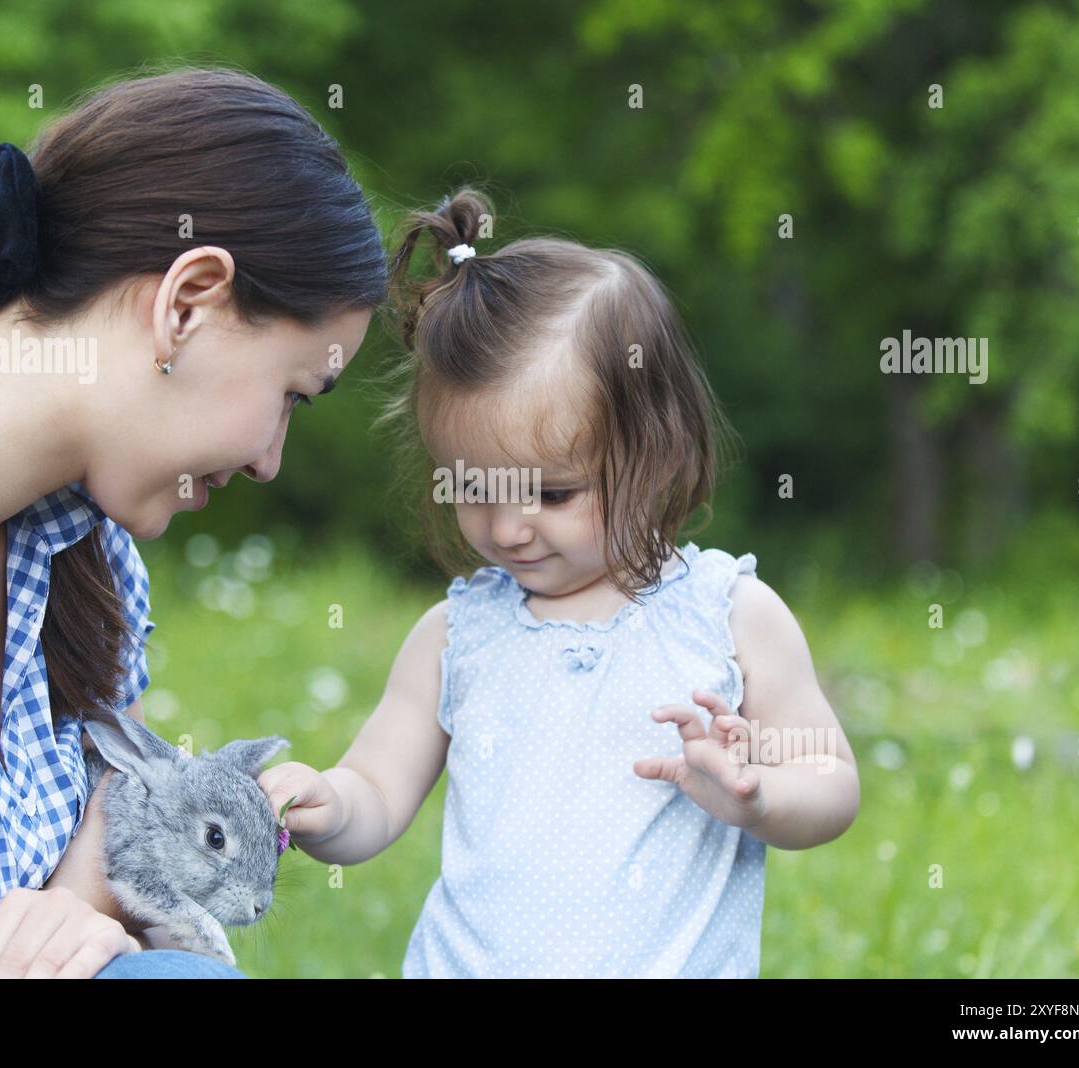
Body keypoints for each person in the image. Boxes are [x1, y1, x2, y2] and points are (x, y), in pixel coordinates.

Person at [0, 66, 385, 979]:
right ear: (186, 302)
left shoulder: (90, 557)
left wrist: (81, 909)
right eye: (293, 395)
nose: (269, 460)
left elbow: (103, 883)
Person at [259, 188, 861, 978]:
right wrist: (328, 805)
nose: (509, 528)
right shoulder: (456, 635)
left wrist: (756, 796)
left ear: (659, 456)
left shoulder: (730, 617)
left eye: (552, 493)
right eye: (475, 489)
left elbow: (831, 781)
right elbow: (376, 786)